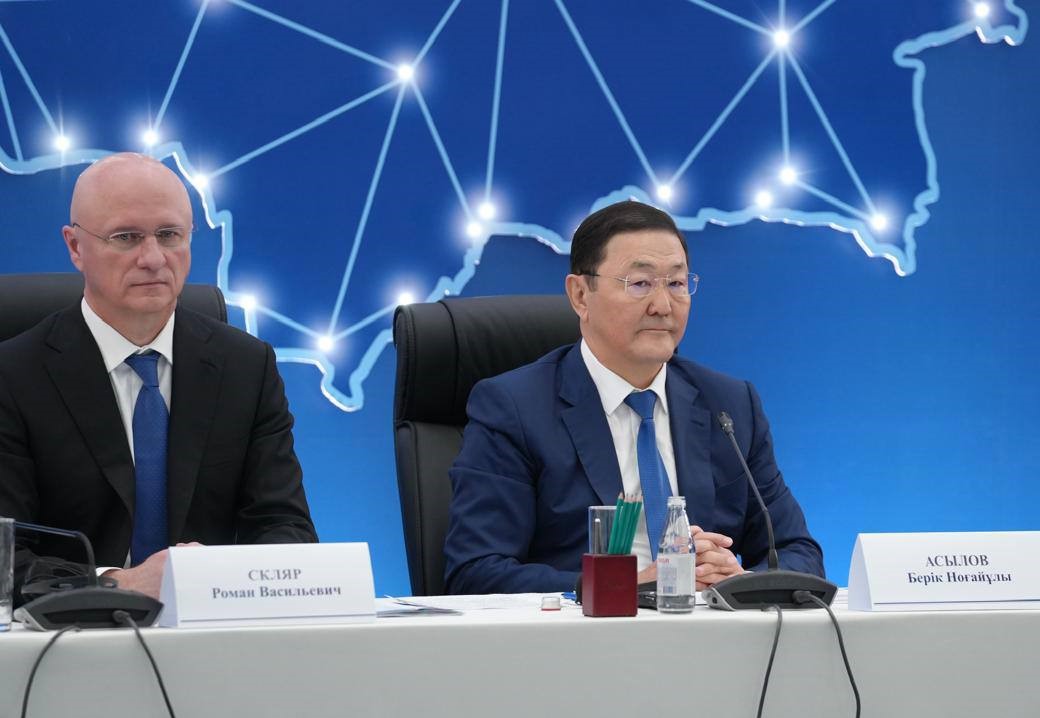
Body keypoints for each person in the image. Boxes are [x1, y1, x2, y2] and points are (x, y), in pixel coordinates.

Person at [444, 200, 824, 594]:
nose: (663, 306)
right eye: (640, 283)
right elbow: (476, 573)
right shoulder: (514, 408)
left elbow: (798, 551)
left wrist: (739, 582)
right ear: (580, 295)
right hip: (586, 630)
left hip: (708, 629)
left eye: (676, 284)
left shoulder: (729, 406)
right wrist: (626, 584)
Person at [0, 153, 316, 603]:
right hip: (65, 634)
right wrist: (116, 584)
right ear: (75, 247)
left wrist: (221, 574)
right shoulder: (14, 376)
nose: (152, 258)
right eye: (126, 237)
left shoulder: (247, 366)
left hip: (211, 630)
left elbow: (286, 528)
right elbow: (5, 558)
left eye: (169, 235)